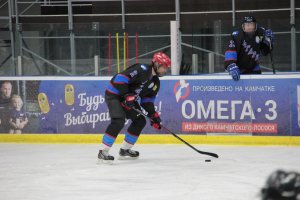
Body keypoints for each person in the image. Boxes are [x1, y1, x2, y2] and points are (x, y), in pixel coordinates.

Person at [98, 52, 171, 163]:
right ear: (156, 64)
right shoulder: (141, 69)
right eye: (164, 67)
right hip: (115, 94)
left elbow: (147, 101)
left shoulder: (156, 82)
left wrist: (153, 115)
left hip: (128, 98)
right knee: (118, 120)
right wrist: (127, 95)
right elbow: (119, 79)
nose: (165, 71)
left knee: (140, 121)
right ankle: (103, 152)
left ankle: (125, 150)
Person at [224, 15, 274, 81]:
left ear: (255, 25)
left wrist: (269, 42)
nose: (249, 27)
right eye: (247, 25)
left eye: (251, 25)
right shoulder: (237, 35)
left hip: (254, 67)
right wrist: (231, 65)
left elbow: (265, 51)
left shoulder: (261, 32)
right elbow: (231, 51)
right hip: (239, 68)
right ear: (243, 26)